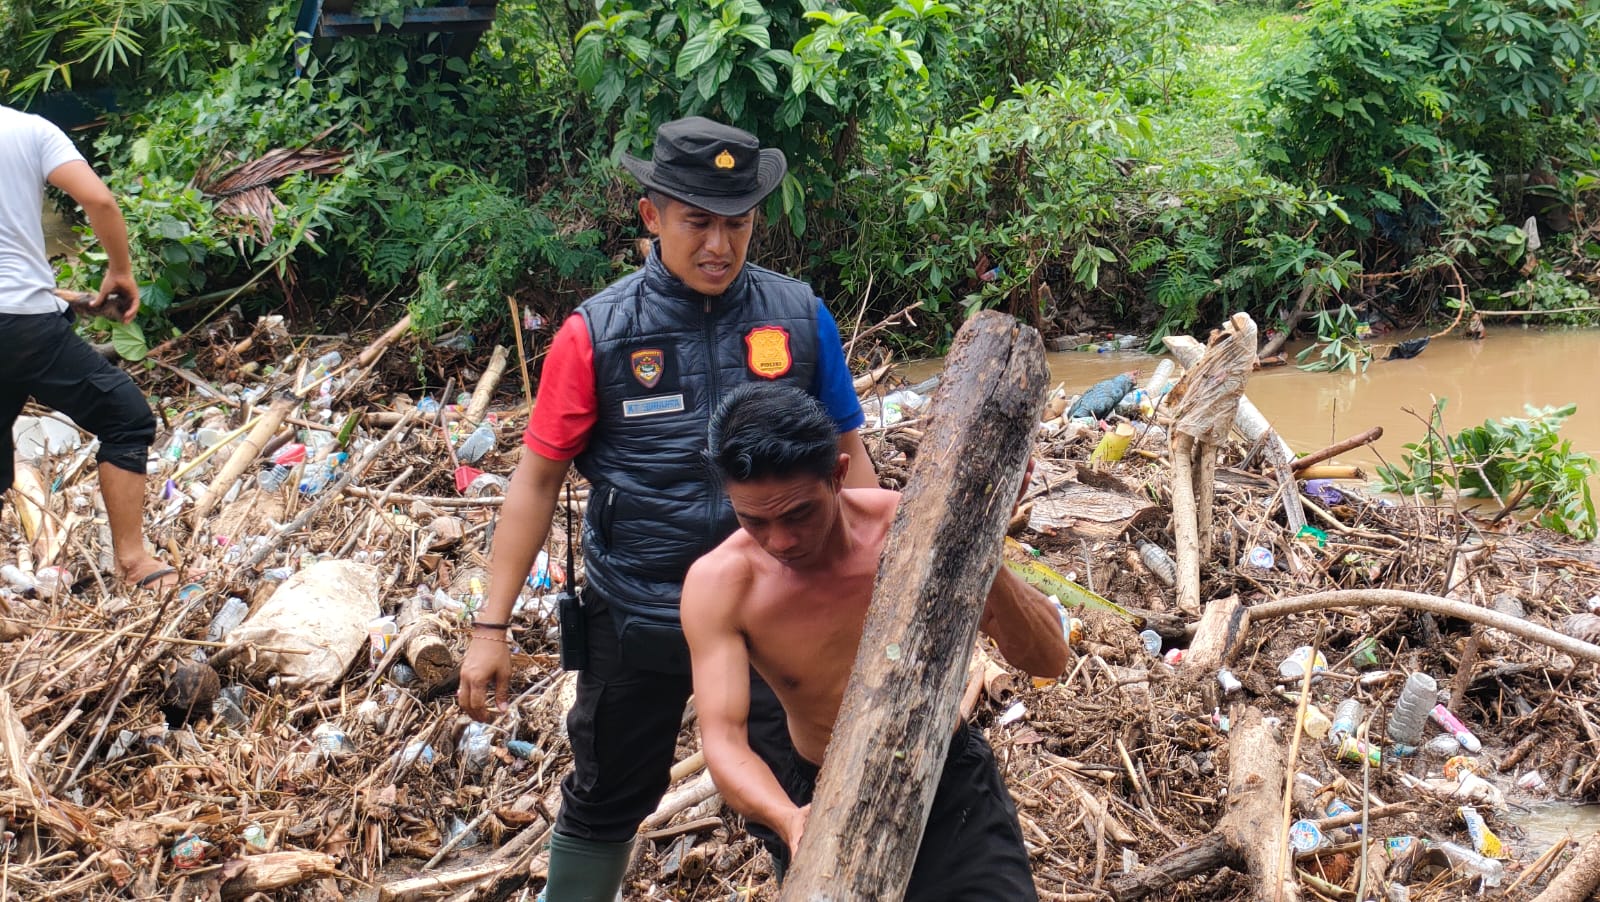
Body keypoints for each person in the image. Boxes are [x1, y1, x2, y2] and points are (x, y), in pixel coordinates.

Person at [455, 116, 876, 900]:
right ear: (652, 216)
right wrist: (491, 625)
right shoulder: (598, 333)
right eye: (698, 223)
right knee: (608, 795)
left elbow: (854, 467)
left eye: (737, 223)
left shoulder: (799, 317)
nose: (720, 244)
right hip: (640, 611)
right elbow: (536, 482)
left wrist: (884, 595)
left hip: (779, 611)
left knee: (809, 797)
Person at [682, 382, 1069, 899]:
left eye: (798, 513)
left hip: (944, 773)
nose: (780, 541)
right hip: (819, 792)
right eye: (754, 520)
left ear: (838, 474)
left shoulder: (912, 529)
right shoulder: (722, 585)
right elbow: (725, 740)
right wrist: (789, 819)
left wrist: (979, 538)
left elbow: (1048, 658)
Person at [0, 105, 175, 590]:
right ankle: (134, 561)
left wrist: (67, 298)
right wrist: (120, 270)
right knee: (126, 418)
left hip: (23, 318)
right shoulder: (28, 130)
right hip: (24, 331)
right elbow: (99, 202)